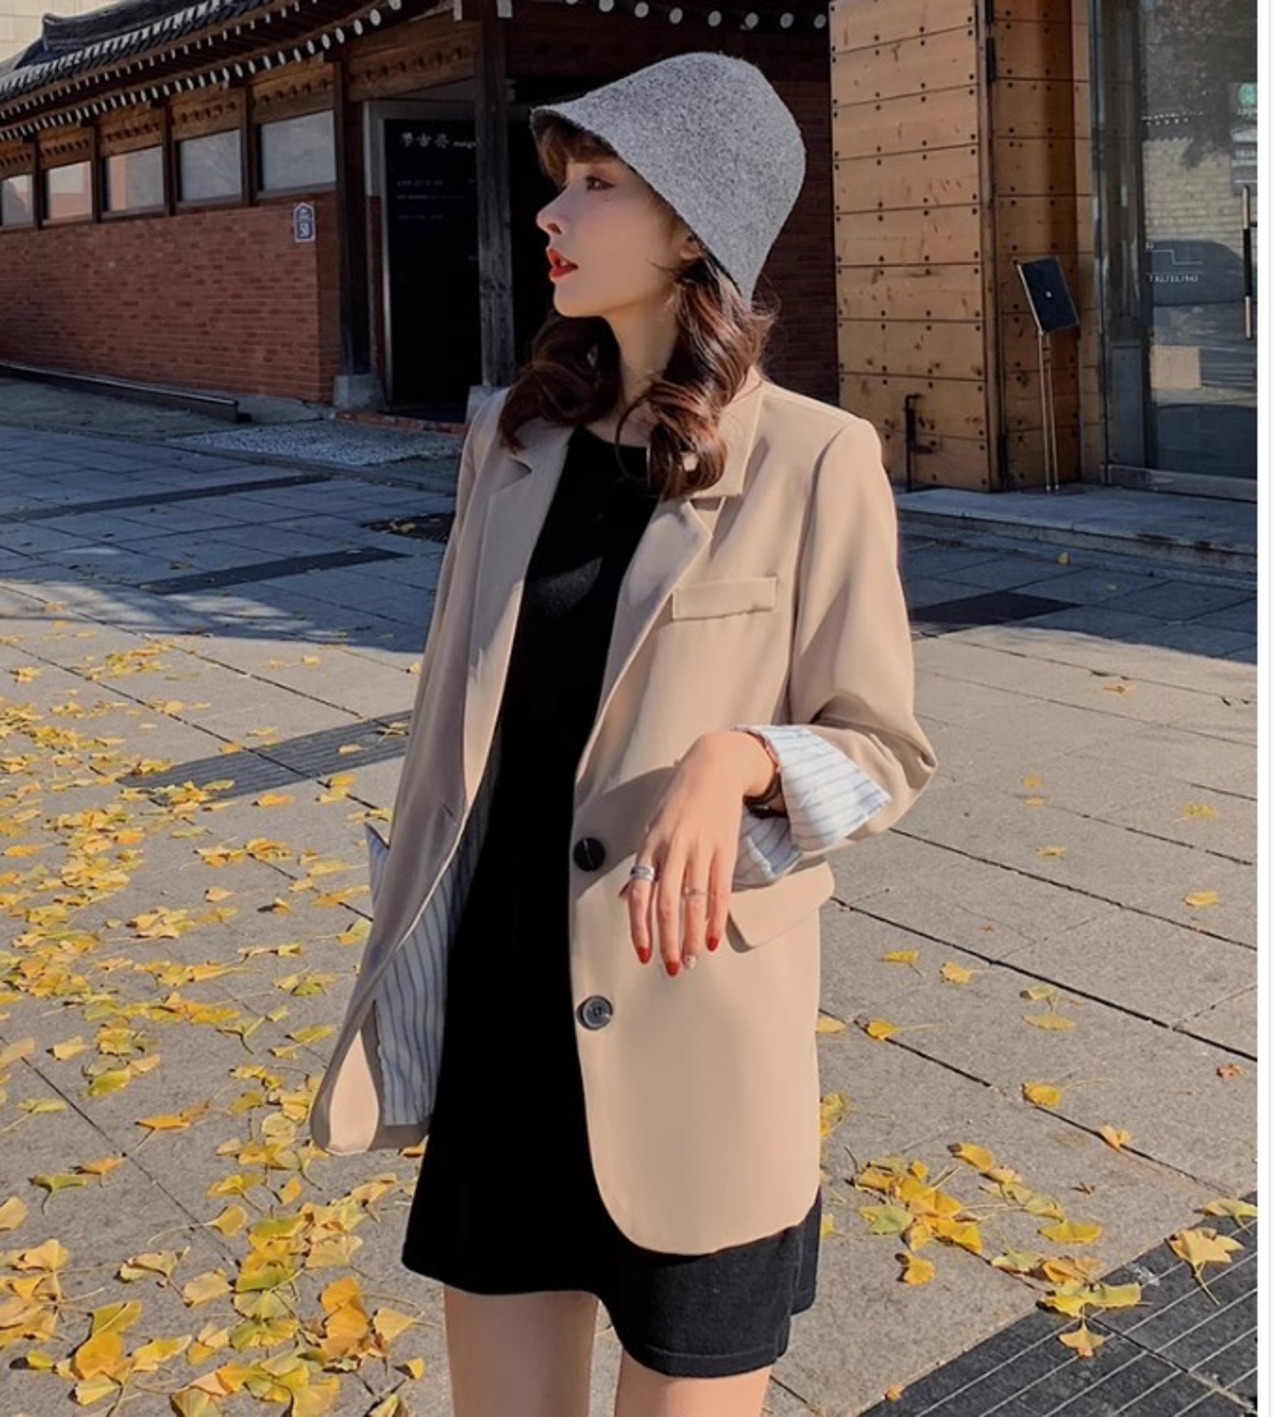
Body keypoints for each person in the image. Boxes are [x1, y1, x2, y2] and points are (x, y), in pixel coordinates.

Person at [309, 51, 937, 1417]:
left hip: (695, 1023)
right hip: (506, 1009)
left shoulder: (815, 459)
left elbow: (884, 749)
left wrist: (745, 758)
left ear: (694, 227)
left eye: (597, 184)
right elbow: (452, 731)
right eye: (563, 184)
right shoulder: (509, 440)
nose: (552, 213)